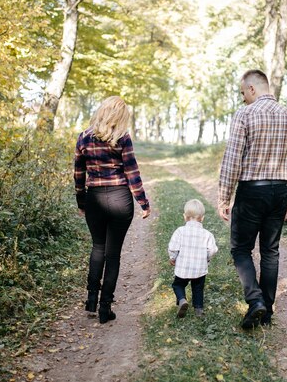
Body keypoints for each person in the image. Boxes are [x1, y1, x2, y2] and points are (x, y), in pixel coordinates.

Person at [218, 69, 287, 329]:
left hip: (251, 190)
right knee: (270, 250)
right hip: (280, 191)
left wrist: (224, 196)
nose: (243, 98)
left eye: (243, 92)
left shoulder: (245, 114)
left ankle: (255, 301)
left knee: (241, 248)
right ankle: (266, 311)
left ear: (252, 89)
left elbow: (233, 159)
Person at [74, 96, 151, 324]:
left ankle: (91, 300)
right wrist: (143, 203)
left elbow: (79, 175)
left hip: (94, 199)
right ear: (119, 116)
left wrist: (81, 202)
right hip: (119, 198)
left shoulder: (84, 138)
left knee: (98, 247)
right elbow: (132, 172)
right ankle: (105, 309)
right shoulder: (122, 138)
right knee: (113, 254)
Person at [168, 199, 218, 318]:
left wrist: (173, 257)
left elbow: (173, 247)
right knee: (198, 288)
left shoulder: (180, 231)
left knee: (178, 285)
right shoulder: (207, 234)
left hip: (183, 268)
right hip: (200, 269)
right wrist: (206, 258)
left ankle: (182, 300)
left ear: (185, 217)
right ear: (202, 218)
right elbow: (213, 249)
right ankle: (199, 310)